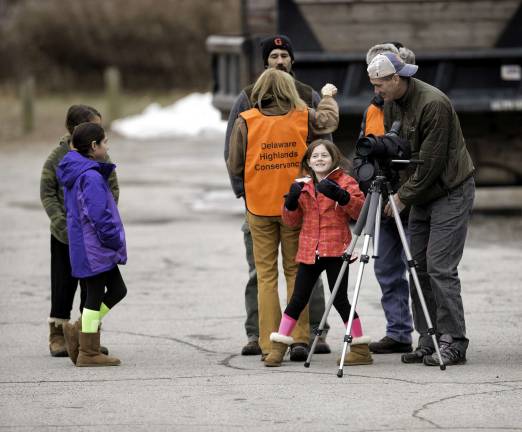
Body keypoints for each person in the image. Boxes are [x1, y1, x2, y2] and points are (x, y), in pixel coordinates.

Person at [224, 34, 331, 358]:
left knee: (302, 269)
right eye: (274, 57)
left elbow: (323, 149)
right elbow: (233, 151)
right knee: (270, 272)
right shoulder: (247, 99)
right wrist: (244, 191)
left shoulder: (307, 97)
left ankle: (311, 334)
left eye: (284, 55)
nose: (280, 61)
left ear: (292, 60)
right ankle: (259, 334)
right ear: (266, 63)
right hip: (264, 203)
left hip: (289, 203)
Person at [367, 52, 475, 366]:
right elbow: (396, 150)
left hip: (450, 190)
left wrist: (400, 198)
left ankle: (454, 340)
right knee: (418, 267)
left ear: (396, 78)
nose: (377, 91)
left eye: (380, 85)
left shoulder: (433, 104)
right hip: (421, 193)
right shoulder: (390, 104)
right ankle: (428, 337)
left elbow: (430, 165)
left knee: (440, 267)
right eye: (374, 85)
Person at [265, 140, 370, 367]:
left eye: (324, 155)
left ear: (333, 158)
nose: (319, 159)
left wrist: (342, 196)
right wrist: (291, 202)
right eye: (315, 156)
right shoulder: (303, 185)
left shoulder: (346, 181)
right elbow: (291, 222)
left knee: (340, 300)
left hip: (336, 250)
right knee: (297, 300)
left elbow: (359, 211)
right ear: (308, 162)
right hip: (309, 251)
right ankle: (278, 348)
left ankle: (360, 349)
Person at [40, 105, 117, 357]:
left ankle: (87, 336)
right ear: (77, 130)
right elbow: (47, 191)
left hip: (90, 234)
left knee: (91, 288)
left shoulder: (99, 157)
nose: (100, 132)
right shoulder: (58, 157)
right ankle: (58, 334)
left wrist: (109, 210)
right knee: (63, 284)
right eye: (95, 125)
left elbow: (111, 187)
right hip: (64, 233)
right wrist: (60, 222)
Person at [358, 43, 416, 354]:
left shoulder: (416, 108)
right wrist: (367, 186)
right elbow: (362, 153)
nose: (379, 86)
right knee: (386, 269)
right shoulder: (371, 109)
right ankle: (398, 332)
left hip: (409, 199)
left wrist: (403, 196)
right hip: (380, 200)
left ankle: (431, 335)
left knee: (418, 268)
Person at [57, 122, 127, 367]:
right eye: (104, 141)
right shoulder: (90, 176)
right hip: (95, 246)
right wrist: (113, 240)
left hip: (89, 245)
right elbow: (99, 215)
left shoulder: (79, 171)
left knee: (118, 290)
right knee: (96, 294)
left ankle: (80, 329)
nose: (107, 146)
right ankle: (88, 351)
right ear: (94, 146)